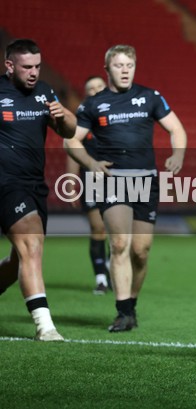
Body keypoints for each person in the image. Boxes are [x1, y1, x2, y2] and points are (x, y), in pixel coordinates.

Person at [64, 44, 187, 332]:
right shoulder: (94, 104)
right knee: (119, 244)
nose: (125, 71)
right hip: (112, 181)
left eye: (129, 65)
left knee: (141, 252)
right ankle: (122, 311)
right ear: (107, 69)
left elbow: (176, 129)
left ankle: (131, 303)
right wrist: (90, 163)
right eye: (118, 66)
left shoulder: (149, 97)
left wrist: (178, 154)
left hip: (145, 181)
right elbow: (71, 141)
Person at [0, 39, 77, 341]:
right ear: (9, 66)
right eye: (27, 67)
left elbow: (69, 131)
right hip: (5, 182)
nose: (33, 72)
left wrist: (65, 115)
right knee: (32, 245)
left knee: (19, 260)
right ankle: (45, 327)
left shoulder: (45, 92)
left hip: (34, 184)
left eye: (37, 66)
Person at [65, 75, 111, 294]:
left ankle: (113, 267)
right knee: (98, 227)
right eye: (90, 88)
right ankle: (101, 278)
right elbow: (72, 152)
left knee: (119, 231)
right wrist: (72, 182)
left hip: (117, 178)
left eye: (98, 86)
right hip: (92, 179)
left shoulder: (119, 115)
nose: (94, 90)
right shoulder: (81, 120)